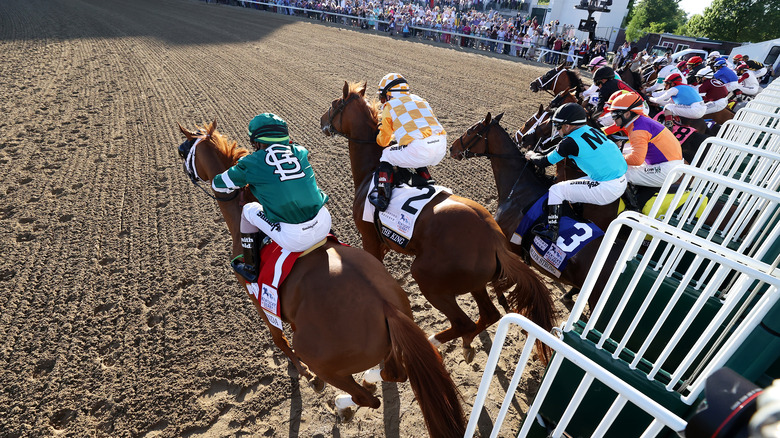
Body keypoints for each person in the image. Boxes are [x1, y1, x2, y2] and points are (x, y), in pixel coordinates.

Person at [212, 113, 331, 283]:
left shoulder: (252, 162)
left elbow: (218, 184)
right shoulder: (301, 151)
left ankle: (251, 265)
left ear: (256, 141)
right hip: (325, 224)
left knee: (248, 209)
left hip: (295, 239)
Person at [524, 103, 628, 241]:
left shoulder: (569, 142)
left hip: (607, 187)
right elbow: (559, 148)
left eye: (559, 125)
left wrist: (531, 155)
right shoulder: (591, 129)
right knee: (570, 185)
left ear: (567, 126)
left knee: (556, 190)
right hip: (620, 180)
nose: (557, 129)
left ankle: (551, 231)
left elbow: (544, 161)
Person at [372, 73, 447, 211]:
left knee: (387, 155)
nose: (383, 101)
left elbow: (384, 141)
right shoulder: (420, 99)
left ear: (389, 94)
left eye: (383, 97)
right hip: (441, 146)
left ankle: (382, 198)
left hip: (419, 149)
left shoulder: (389, 106)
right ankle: (427, 178)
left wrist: (378, 135)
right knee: (410, 145)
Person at [607, 92, 683, 191]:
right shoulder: (641, 120)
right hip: (670, 164)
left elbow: (636, 160)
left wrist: (615, 157)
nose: (613, 119)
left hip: (667, 169)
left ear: (627, 114)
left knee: (619, 172)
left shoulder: (637, 130)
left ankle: (632, 205)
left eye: (614, 115)